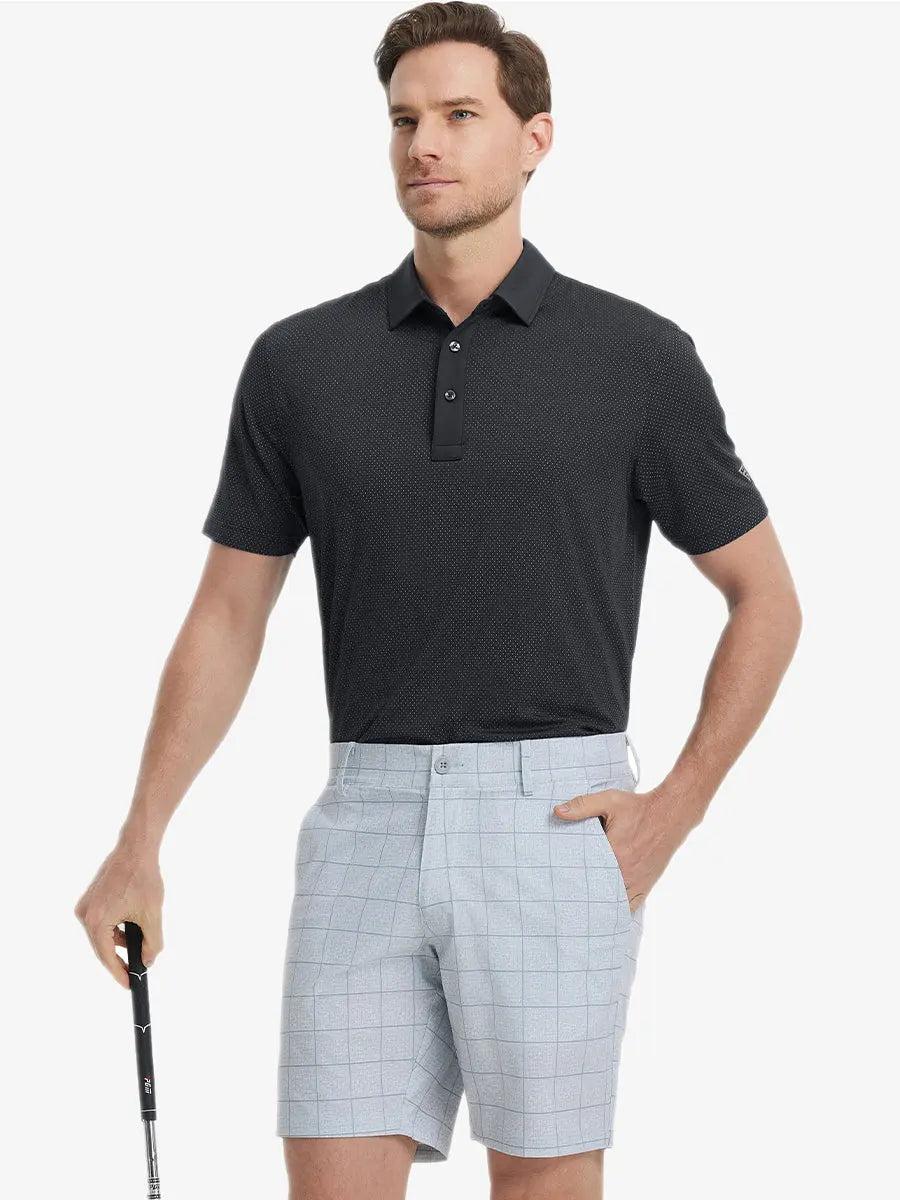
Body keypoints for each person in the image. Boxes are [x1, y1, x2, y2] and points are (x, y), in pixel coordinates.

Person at [74, 3, 802, 1197]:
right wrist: (140, 838)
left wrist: (675, 809)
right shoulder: (300, 362)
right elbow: (227, 615)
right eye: (404, 118)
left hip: (554, 823)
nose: (425, 143)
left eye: (461, 115)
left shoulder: (636, 357)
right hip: (363, 819)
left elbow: (765, 597)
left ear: (535, 138)